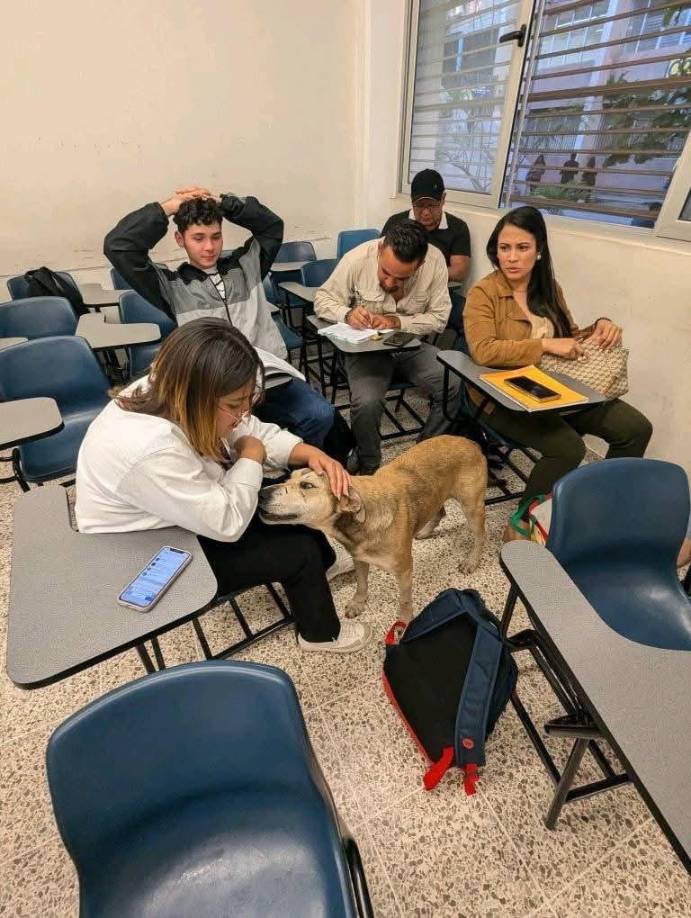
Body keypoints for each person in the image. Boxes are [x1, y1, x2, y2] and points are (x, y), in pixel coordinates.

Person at [75, 318, 370, 654]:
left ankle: (323, 564)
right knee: (295, 550)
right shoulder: (147, 448)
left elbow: (249, 430)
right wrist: (251, 458)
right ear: (195, 396)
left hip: (175, 510)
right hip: (143, 550)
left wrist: (307, 452)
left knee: (284, 505)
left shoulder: (173, 387)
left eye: (247, 401)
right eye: (234, 405)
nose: (242, 414)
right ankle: (320, 634)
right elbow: (226, 524)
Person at [104, 186, 346, 459]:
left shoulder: (248, 264)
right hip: (217, 390)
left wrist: (222, 203)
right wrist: (169, 207)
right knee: (224, 450)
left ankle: (297, 472)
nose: (209, 247)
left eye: (215, 237)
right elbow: (119, 246)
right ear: (179, 239)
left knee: (321, 415)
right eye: (198, 238)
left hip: (268, 379)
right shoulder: (170, 286)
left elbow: (271, 226)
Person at [463, 206, 653, 542]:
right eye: (505, 248)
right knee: (567, 448)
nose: (512, 258)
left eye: (522, 248)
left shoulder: (548, 288)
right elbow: (484, 350)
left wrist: (600, 326)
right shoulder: (484, 293)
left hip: (556, 388)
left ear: (539, 251)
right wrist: (546, 346)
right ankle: (520, 524)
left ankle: (600, 505)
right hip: (501, 394)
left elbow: (570, 336)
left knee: (636, 429)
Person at [314, 221, 462, 474]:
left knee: (455, 381)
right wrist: (348, 313)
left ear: (420, 264)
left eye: (401, 277)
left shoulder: (434, 262)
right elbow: (322, 300)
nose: (391, 282)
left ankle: (421, 459)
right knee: (367, 401)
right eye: (385, 272)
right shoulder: (358, 257)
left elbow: (439, 318)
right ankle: (369, 465)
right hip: (366, 349)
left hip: (408, 344)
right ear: (381, 249)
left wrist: (397, 321)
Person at [381, 169, 471, 284]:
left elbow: (460, 271)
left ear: (443, 199)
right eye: (419, 206)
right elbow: (380, 259)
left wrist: (421, 276)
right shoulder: (396, 222)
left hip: (438, 289)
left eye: (432, 205)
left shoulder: (457, 227)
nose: (426, 212)